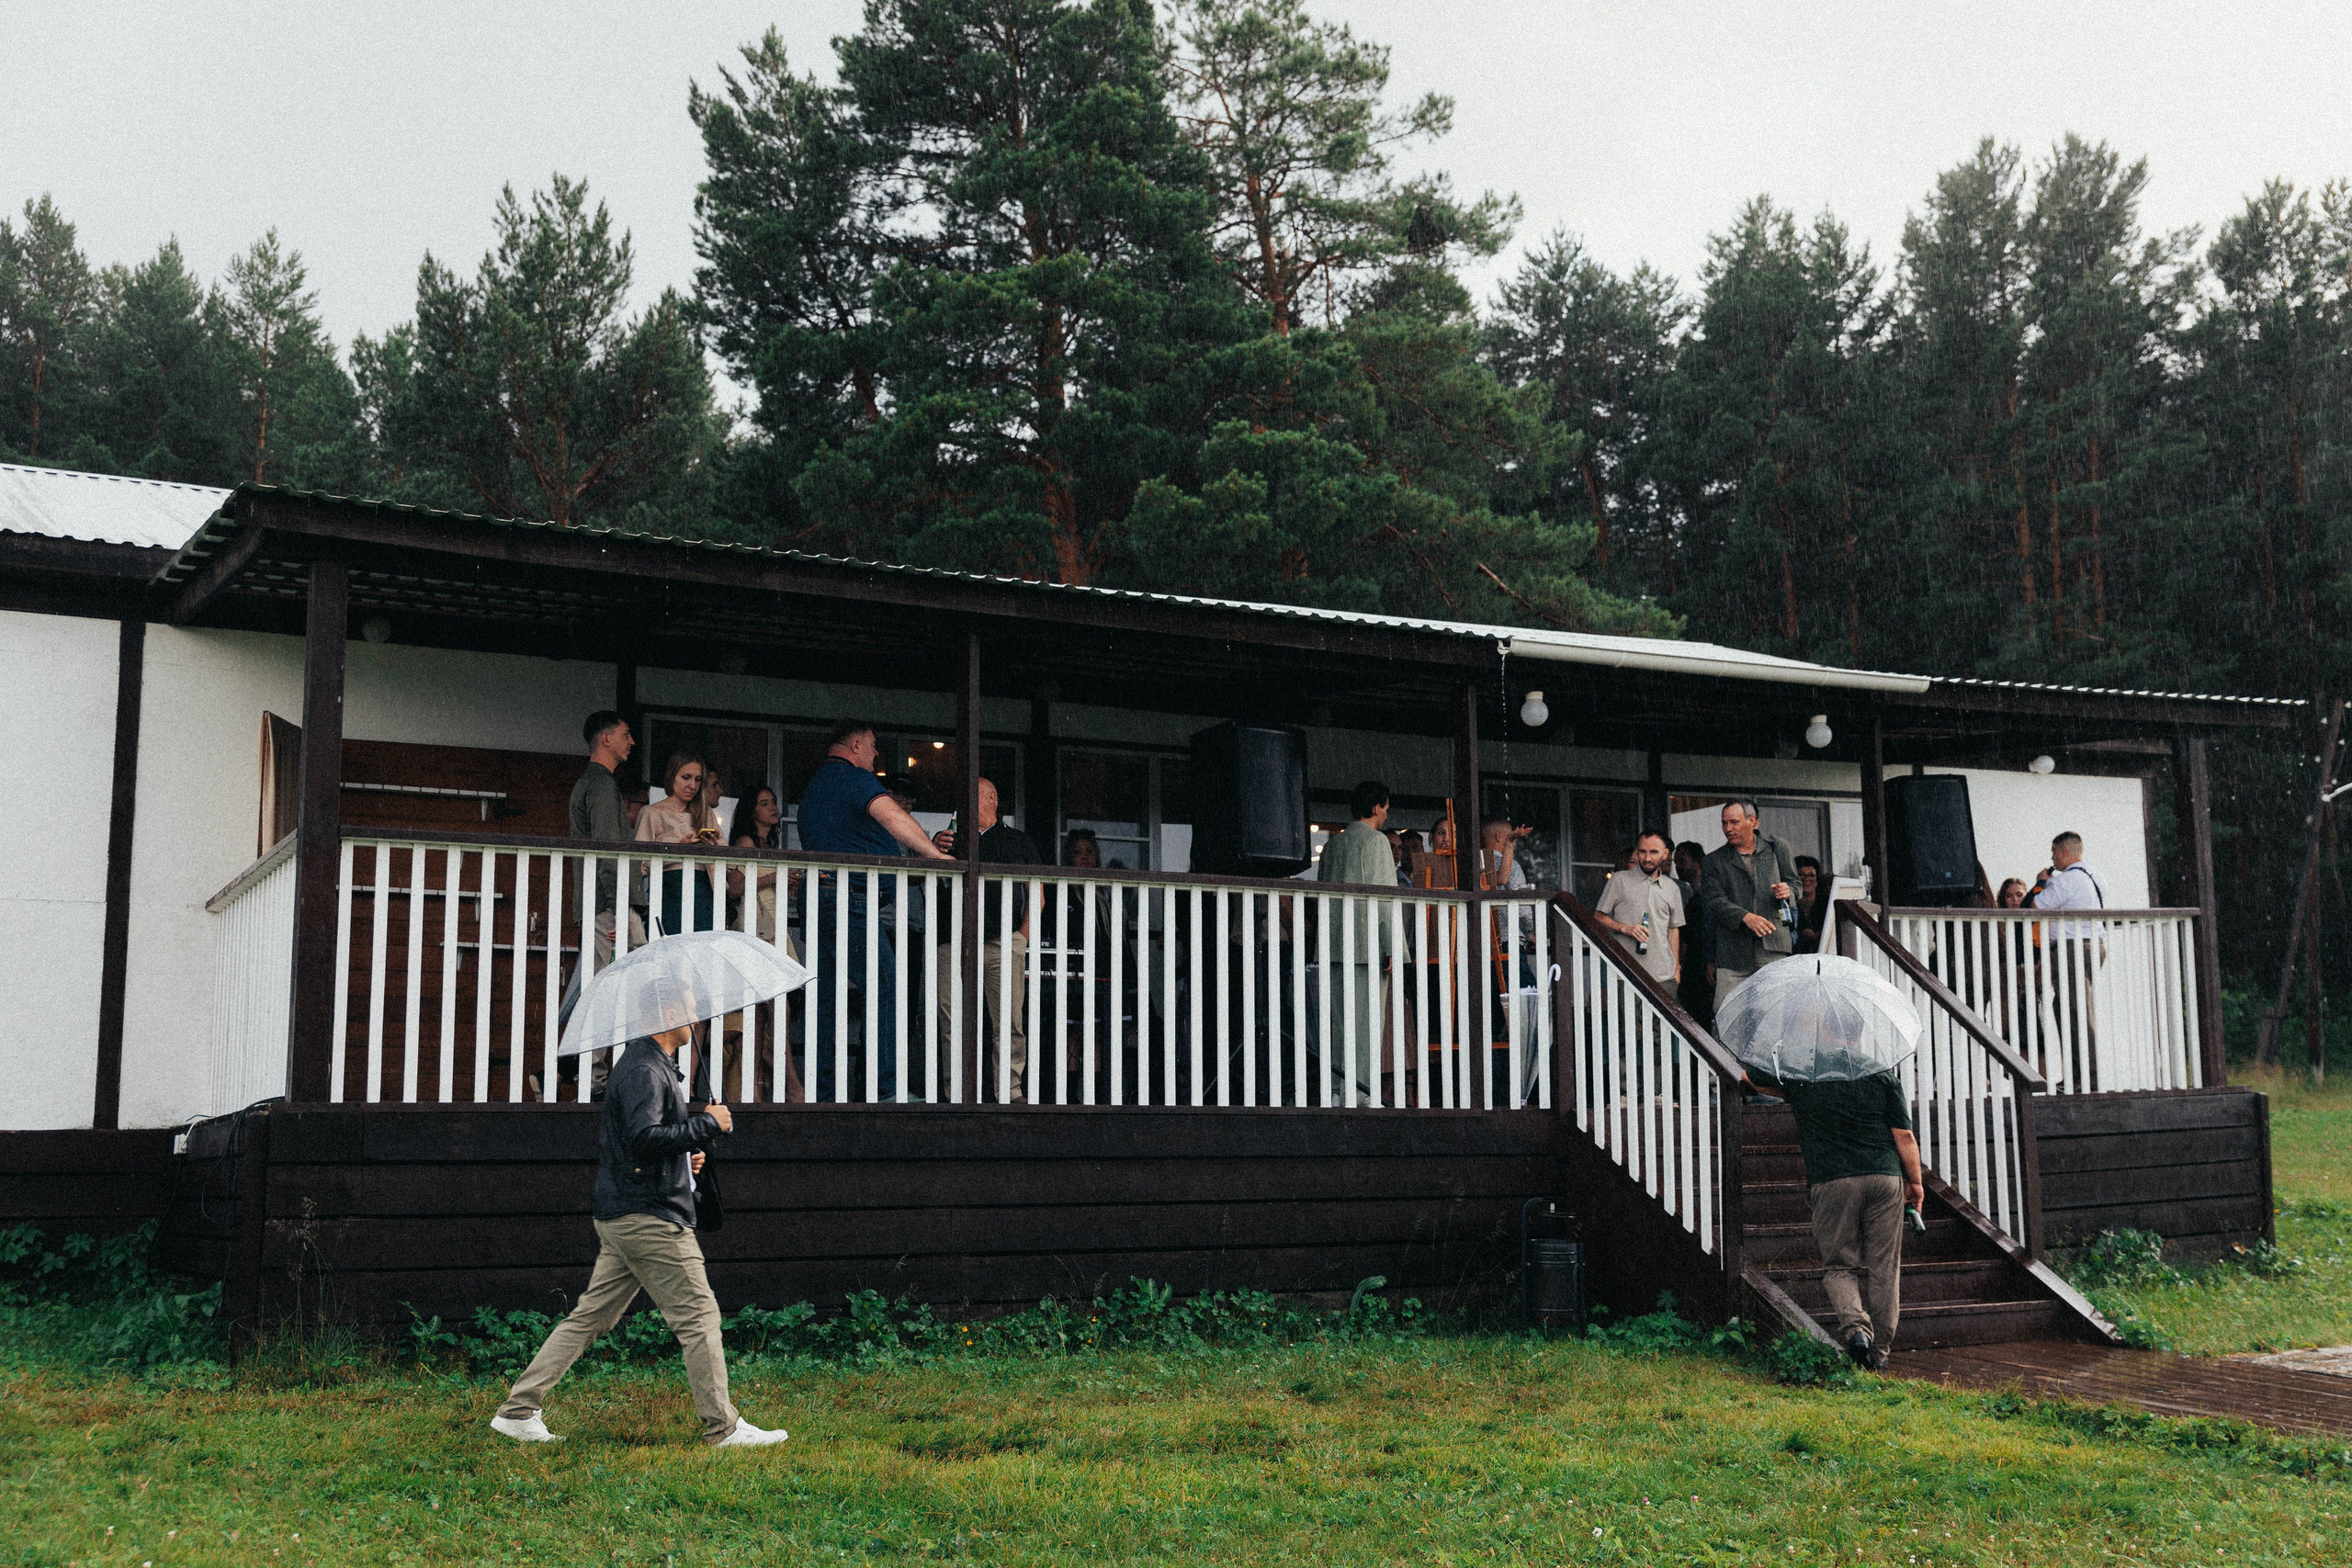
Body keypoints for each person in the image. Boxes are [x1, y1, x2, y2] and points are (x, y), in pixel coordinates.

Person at [490, 1022, 786, 1447]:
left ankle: (517, 1412)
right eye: (687, 1008)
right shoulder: (645, 1069)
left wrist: (688, 1158)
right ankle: (723, 1427)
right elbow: (643, 1138)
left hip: (627, 1213)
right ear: (667, 1013)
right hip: (651, 1217)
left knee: (592, 1316)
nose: (695, 1020)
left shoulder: (648, 1065)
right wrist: (707, 1124)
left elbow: (650, 1142)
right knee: (699, 1317)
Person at [797, 721, 955, 1101]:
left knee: (828, 997)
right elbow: (891, 816)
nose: (876, 753)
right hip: (846, 896)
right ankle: (885, 1088)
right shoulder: (852, 778)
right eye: (872, 745)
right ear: (854, 745)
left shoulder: (819, 783)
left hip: (823, 896)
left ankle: (824, 1093)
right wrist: (935, 855)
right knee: (887, 986)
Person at [1746, 1064, 1923, 1371]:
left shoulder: (1803, 1077)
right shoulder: (1881, 1077)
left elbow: (1748, 1077)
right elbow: (1905, 1136)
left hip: (1831, 1181)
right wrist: (1916, 1183)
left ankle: (1857, 1332)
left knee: (1840, 1265)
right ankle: (1879, 1354)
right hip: (1884, 1177)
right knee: (1885, 1268)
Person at [931, 778, 1040, 1100]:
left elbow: (1037, 893)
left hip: (1002, 942)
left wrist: (1022, 937)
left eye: (972, 796)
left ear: (992, 797)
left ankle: (1010, 1090)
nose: (964, 803)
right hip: (954, 941)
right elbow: (928, 885)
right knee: (953, 1021)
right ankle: (959, 1093)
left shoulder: (1017, 840)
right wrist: (933, 848)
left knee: (1008, 1022)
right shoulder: (950, 839)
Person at [1317, 781, 1396, 1103]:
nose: (1386, 815)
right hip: (1366, 946)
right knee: (1365, 1027)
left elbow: (1322, 890)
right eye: (1386, 809)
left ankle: (1338, 1090)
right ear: (1377, 807)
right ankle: (1360, 1096)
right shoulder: (1376, 842)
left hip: (1334, 942)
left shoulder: (1334, 845)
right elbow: (1385, 897)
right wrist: (1390, 946)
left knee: (1339, 1024)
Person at [1701, 800, 1801, 1010]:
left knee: (1772, 1016)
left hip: (1773, 946)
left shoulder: (1778, 848)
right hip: (1732, 951)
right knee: (1725, 1014)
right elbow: (1715, 901)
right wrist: (1745, 917)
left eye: (1734, 822)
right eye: (1724, 823)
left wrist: (1788, 892)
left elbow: (1796, 884)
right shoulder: (1713, 860)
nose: (1728, 829)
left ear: (1753, 821)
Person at [638, 752, 721, 935]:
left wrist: (712, 849)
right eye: (686, 777)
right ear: (672, 776)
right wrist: (676, 853)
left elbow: (729, 863)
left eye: (698, 780)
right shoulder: (653, 812)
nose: (692, 785)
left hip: (702, 891)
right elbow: (639, 863)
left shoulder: (705, 813)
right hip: (669, 890)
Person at [1593, 829, 1683, 987]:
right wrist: (1624, 929)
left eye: (1653, 852)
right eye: (1642, 852)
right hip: (1626, 973)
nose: (1647, 858)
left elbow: (1673, 929)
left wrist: (1676, 968)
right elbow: (1598, 917)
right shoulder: (1619, 880)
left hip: (1664, 976)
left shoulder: (1672, 888)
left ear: (1665, 854)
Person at [1673, 840, 1717, 1029]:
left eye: (1682, 861)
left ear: (1698, 862)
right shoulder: (1683, 892)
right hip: (1692, 966)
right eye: (1675, 862)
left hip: (1702, 965)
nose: (1677, 867)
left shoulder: (1709, 892)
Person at [1794, 855, 1826, 952]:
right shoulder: (1787, 905)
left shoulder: (1826, 904)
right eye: (1801, 874)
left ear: (1817, 880)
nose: (1806, 879)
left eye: (1811, 875)